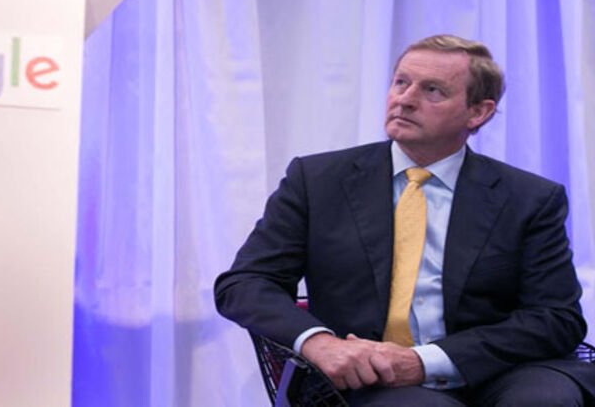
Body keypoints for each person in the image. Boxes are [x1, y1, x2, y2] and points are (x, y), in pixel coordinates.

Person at [214, 35, 595, 405]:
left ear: (478, 112)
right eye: (401, 82)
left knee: (544, 399)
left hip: (499, 368)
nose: (405, 99)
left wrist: (424, 362)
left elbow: (556, 317)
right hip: (372, 376)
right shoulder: (317, 180)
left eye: (432, 90)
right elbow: (246, 282)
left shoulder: (529, 198)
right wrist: (319, 342)